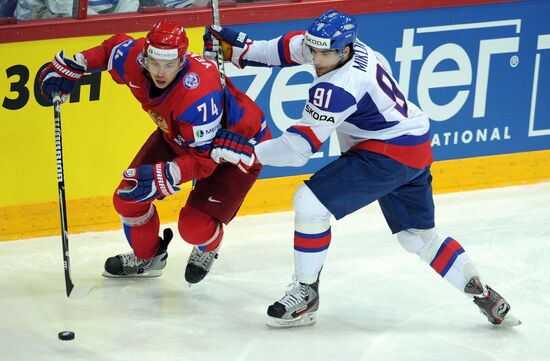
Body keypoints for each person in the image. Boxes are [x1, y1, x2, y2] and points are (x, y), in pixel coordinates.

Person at [205, 10, 520, 327]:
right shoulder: (342, 48)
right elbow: (284, 49)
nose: (316, 59)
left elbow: (297, 150)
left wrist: (243, 151)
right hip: (414, 146)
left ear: (343, 51)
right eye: (314, 50)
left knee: (309, 202)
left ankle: (306, 292)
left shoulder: (338, 88)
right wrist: (239, 52)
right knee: (417, 238)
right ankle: (483, 293)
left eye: (324, 53)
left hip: (386, 152)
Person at [39, 20, 269, 284]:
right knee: (128, 198)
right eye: (155, 62)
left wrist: (169, 173)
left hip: (238, 150)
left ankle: (209, 245)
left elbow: (204, 163)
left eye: (170, 64)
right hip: (183, 139)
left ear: (182, 61)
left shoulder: (198, 96)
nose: (161, 72)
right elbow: (111, 50)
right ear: (145, 55)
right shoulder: (136, 58)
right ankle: (148, 257)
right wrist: (78, 63)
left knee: (194, 228)